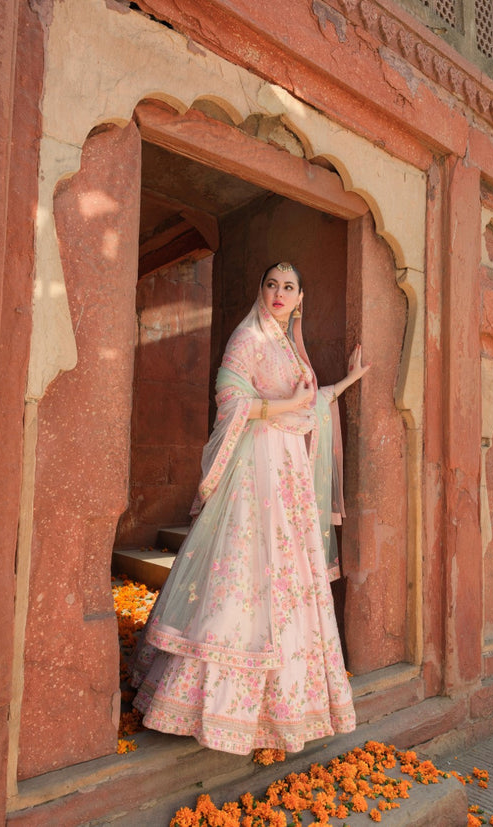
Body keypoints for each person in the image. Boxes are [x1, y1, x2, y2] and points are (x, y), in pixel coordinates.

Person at [130, 261, 369, 755]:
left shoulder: (287, 344)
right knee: (244, 570)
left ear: (301, 298)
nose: (279, 294)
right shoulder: (248, 337)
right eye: (272, 285)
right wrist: (284, 406)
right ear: (262, 290)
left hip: (288, 476)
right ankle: (213, 707)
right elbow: (230, 400)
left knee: (286, 575)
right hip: (256, 467)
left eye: (289, 287)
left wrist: (348, 382)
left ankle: (285, 706)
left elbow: (308, 404)